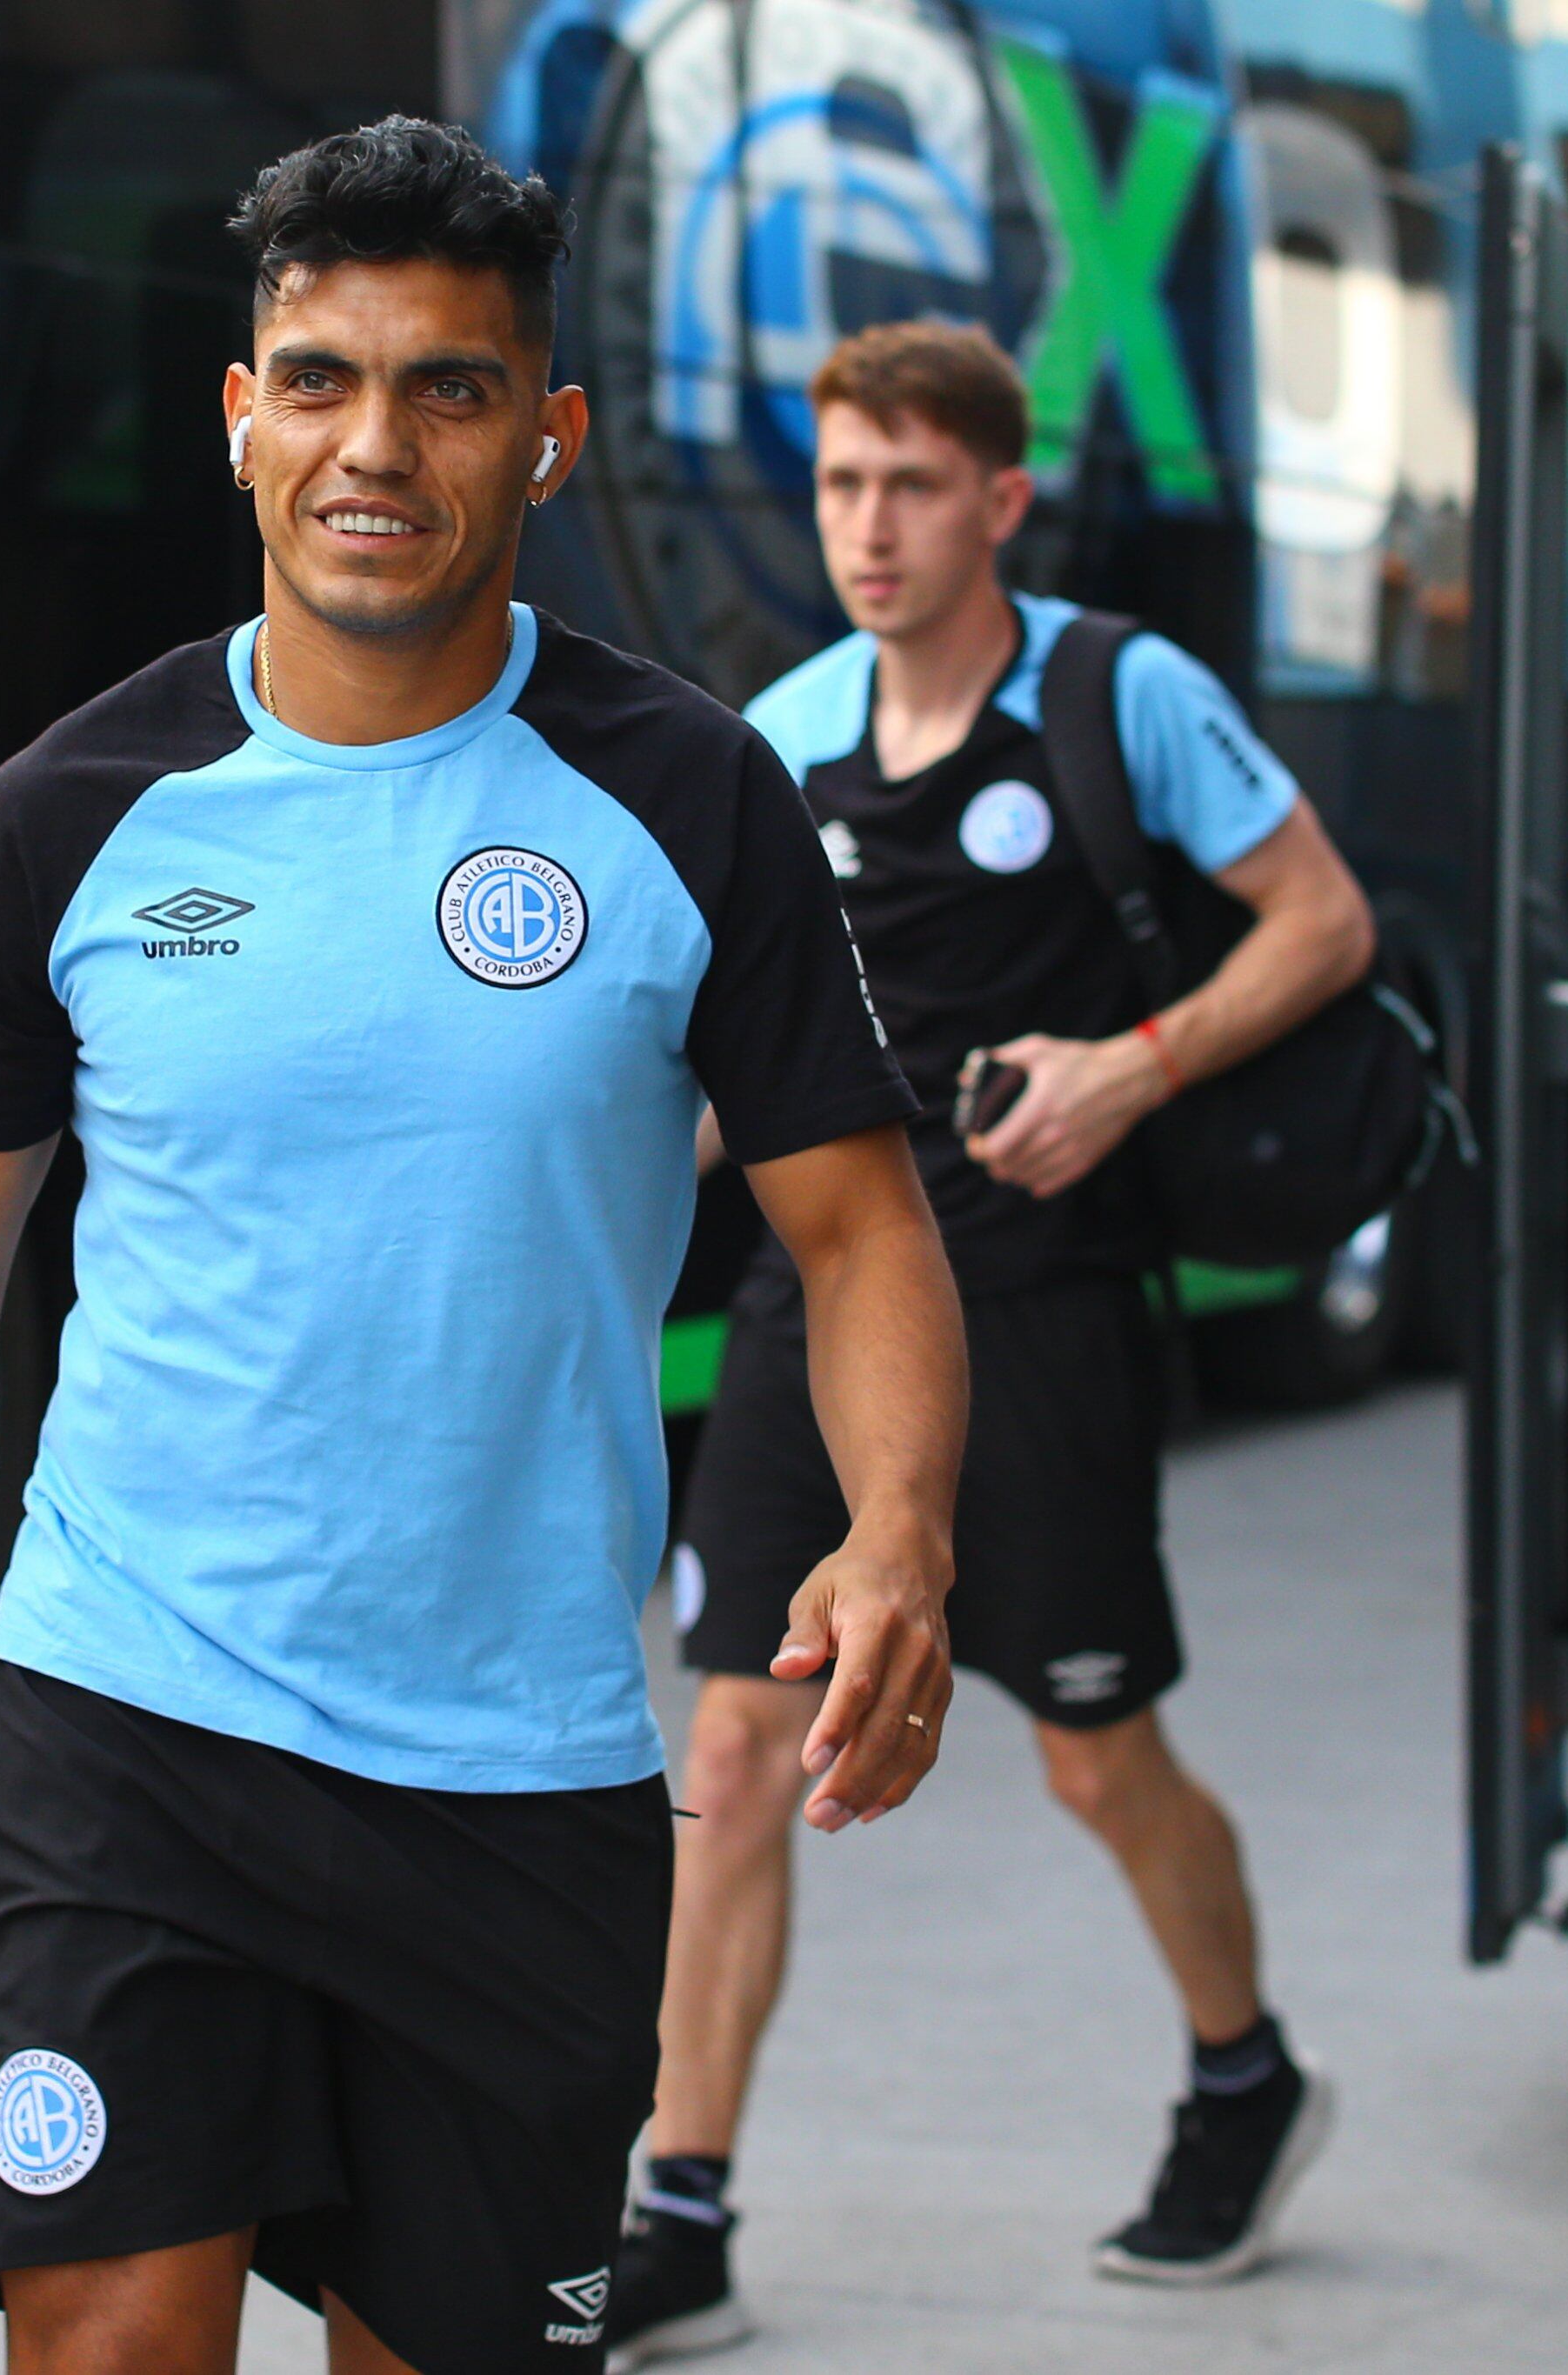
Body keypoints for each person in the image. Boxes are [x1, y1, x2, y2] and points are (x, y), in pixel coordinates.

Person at [0, 119, 965, 2375]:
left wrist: (900, 1529)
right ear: (239, 414)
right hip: (125, 1740)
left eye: (449, 387)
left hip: (522, 1787)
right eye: (317, 379)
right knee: (107, 2345)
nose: (372, 445)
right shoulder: (68, 817)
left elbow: (864, 1228)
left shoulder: (688, 801)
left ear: (550, 438)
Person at [603, 321, 1378, 2364]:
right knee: (736, 1744)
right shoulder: (774, 735)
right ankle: (679, 2204)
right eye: (840, 483)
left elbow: (1322, 921)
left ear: (998, 501)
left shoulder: (1122, 699)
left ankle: (1242, 2077)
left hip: (1038, 1312)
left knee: (1090, 1758)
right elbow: (713, 1059)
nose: (866, 524)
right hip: (811, 1304)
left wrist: (1130, 1066)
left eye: (910, 484)